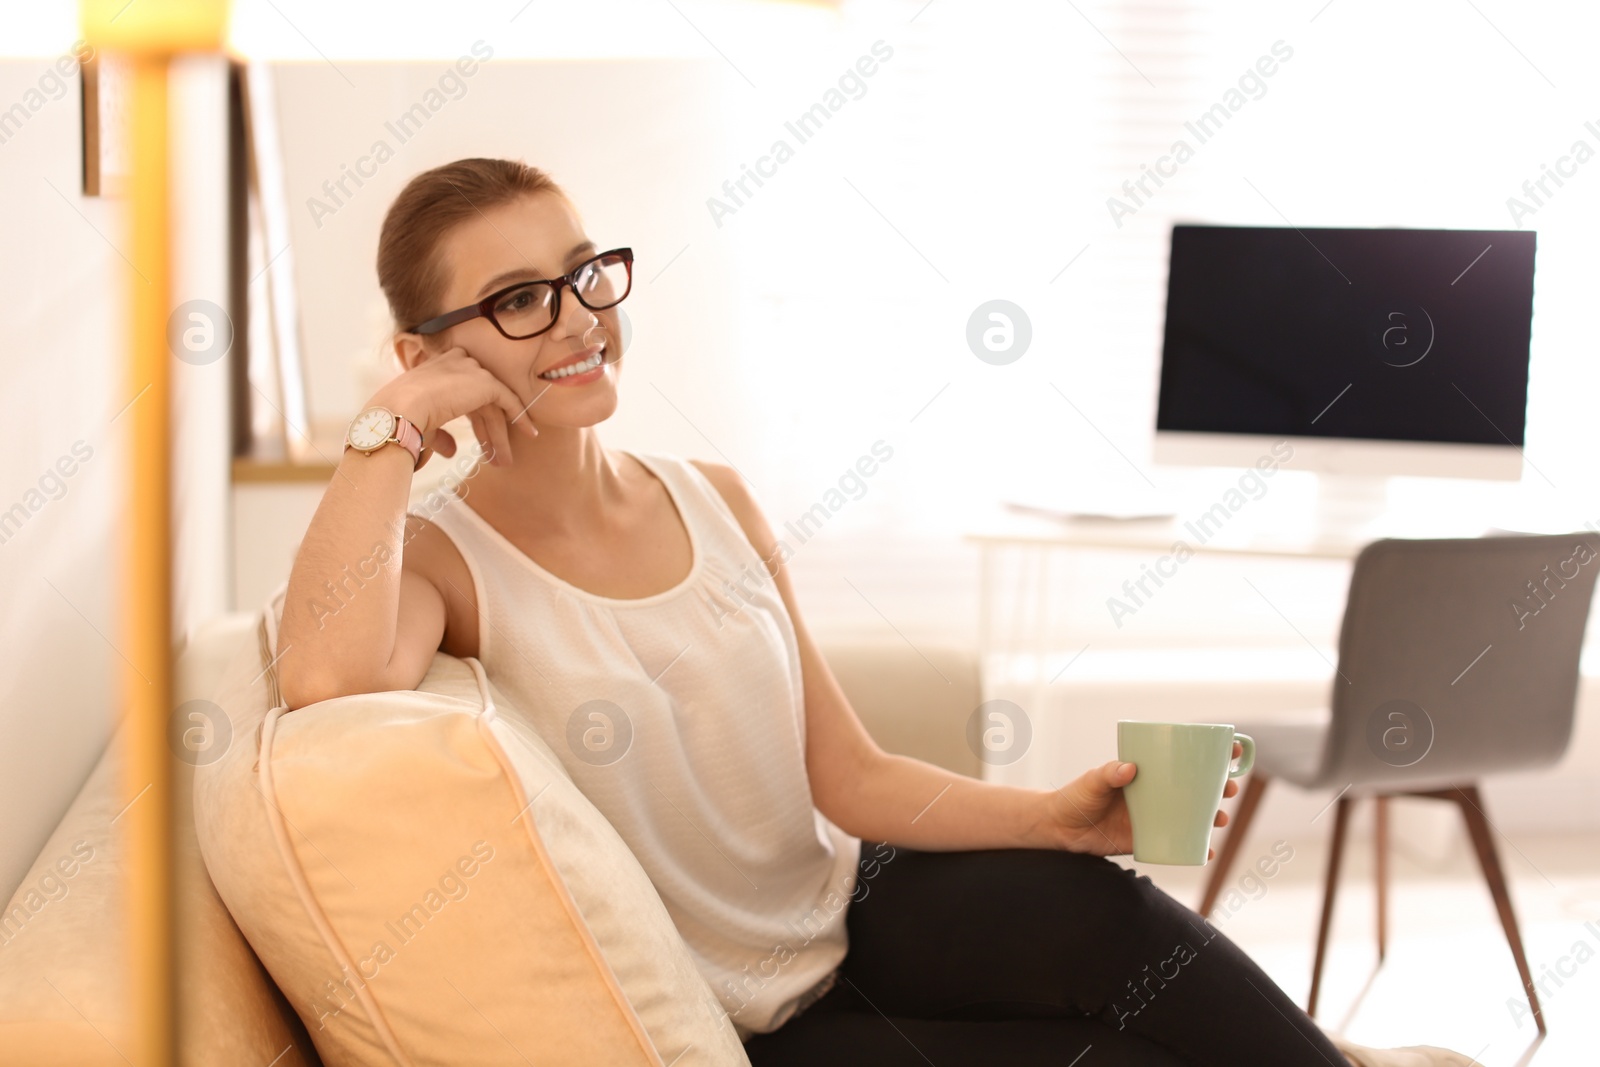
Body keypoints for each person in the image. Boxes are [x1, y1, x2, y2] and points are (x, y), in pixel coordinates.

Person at [275, 157, 1476, 1067]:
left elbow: (846, 772)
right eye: (517, 299)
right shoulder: (446, 555)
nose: (581, 317)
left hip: (858, 900)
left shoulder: (713, 496)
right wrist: (389, 427)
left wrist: (1050, 819)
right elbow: (325, 678)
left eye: (583, 271)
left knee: (1111, 914)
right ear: (424, 350)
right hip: (760, 1020)